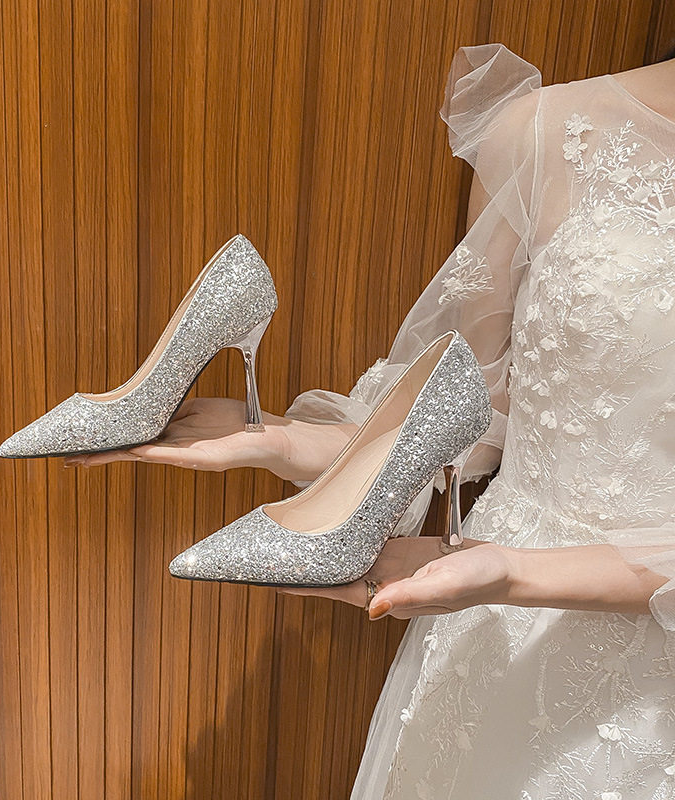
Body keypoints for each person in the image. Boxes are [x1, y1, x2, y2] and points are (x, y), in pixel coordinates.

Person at [67, 43, 675, 798]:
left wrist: (518, 570)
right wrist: (282, 439)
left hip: (534, 606)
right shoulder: (545, 132)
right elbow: (476, 414)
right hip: (494, 634)